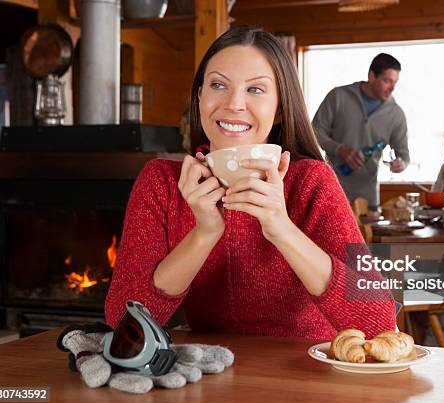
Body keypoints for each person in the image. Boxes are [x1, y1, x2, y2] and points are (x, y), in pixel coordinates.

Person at [105, 26, 396, 340]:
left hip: (309, 379)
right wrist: (204, 234)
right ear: (200, 96)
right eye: (218, 85)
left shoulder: (312, 181)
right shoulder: (161, 182)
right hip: (209, 377)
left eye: (255, 89)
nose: (234, 103)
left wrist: (281, 228)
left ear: (281, 108)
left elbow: (379, 321)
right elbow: (124, 322)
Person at [312, 53, 409, 210]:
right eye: (387, 81)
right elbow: (314, 132)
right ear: (371, 76)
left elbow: (404, 156)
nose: (392, 88)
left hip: (368, 199)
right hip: (332, 190)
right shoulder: (338, 97)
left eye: (395, 82)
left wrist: (400, 164)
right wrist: (340, 149)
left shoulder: (396, 114)